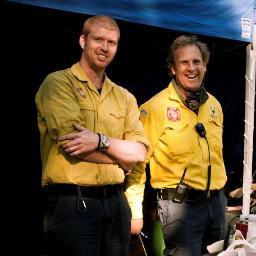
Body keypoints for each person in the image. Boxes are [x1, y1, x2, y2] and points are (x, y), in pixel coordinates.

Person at [35, 15, 149, 256]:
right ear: (82, 41)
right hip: (72, 203)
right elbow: (73, 144)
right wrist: (122, 158)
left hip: (116, 203)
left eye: (112, 42)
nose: (105, 47)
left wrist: (100, 140)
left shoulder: (125, 97)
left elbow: (140, 152)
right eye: (98, 39)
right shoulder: (57, 83)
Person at [135, 35, 228, 256]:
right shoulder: (154, 108)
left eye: (197, 61)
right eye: (184, 62)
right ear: (172, 69)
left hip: (216, 204)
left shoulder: (214, 104)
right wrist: (135, 209)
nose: (191, 68)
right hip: (180, 207)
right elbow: (138, 163)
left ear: (205, 66)